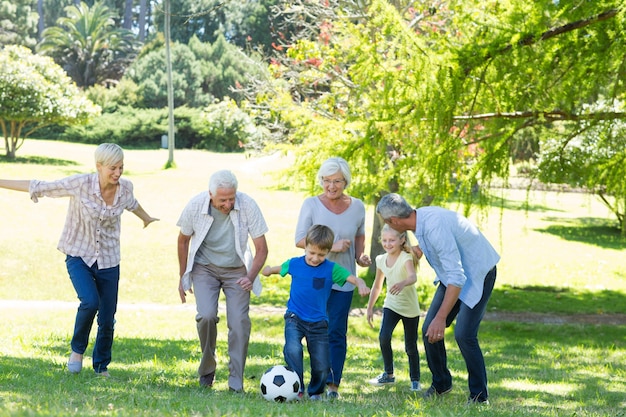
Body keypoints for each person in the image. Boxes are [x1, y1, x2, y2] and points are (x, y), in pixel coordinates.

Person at [0, 143, 159, 377]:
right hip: (78, 255)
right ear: (99, 166)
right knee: (90, 302)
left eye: (121, 167)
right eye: (112, 168)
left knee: (107, 318)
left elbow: (132, 204)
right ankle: (77, 351)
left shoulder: (125, 188)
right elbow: (41, 187)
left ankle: (101, 367)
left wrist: (146, 218)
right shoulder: (80, 184)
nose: (117, 173)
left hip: (109, 259)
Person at [376, 193, 500, 405]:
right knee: (428, 331)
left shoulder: (433, 227)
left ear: (394, 222)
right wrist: (417, 250)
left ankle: (479, 396)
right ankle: (442, 383)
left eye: (387, 223)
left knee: (464, 335)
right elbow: (442, 251)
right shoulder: (420, 220)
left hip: (478, 272)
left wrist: (441, 318)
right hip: (453, 275)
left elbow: (457, 276)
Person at [177, 169, 268, 392]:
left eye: (231, 198)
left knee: (239, 323)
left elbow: (262, 249)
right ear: (210, 194)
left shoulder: (248, 205)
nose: (227, 204)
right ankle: (207, 370)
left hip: (237, 270)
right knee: (206, 316)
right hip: (204, 268)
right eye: (222, 200)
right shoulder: (196, 205)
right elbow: (182, 241)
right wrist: (182, 276)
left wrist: (250, 277)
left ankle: (236, 379)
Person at [262, 224, 370, 400]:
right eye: (311, 253)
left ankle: (316, 391)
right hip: (294, 318)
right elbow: (279, 268)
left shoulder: (331, 269)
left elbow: (353, 278)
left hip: (319, 322)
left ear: (328, 252)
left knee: (322, 365)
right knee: (293, 349)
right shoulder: (295, 263)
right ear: (306, 247)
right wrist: (268, 270)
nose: (315, 258)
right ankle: (297, 389)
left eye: (321, 255)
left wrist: (361, 284)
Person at [294, 157, 371, 398]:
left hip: (343, 280)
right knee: (315, 331)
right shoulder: (311, 205)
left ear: (345, 181)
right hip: (315, 281)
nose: (331, 186)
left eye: (336, 181)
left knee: (336, 332)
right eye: (326, 181)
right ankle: (312, 383)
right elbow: (299, 240)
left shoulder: (358, 207)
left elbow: (359, 235)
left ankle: (332, 385)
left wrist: (360, 256)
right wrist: (332, 247)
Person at [366, 224, 422, 392]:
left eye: (392, 240)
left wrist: (403, 283)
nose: (388, 244)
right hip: (391, 304)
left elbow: (412, 277)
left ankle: (415, 380)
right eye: (384, 240)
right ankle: (389, 375)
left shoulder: (406, 257)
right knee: (384, 337)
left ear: (401, 240)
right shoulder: (381, 260)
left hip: (410, 308)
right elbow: (377, 286)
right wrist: (370, 308)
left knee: (410, 346)